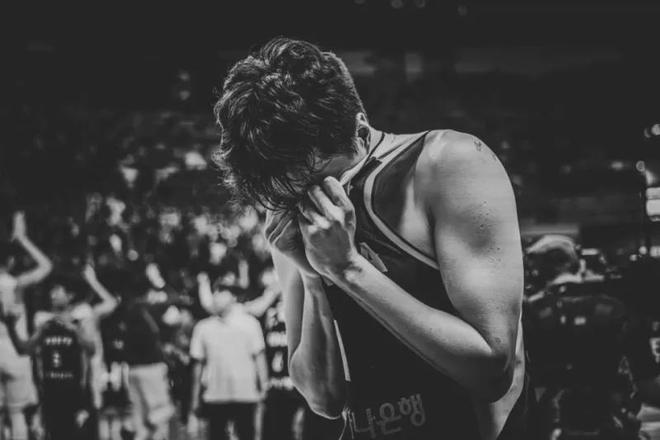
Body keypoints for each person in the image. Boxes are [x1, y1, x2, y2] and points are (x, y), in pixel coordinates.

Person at [214, 37, 529, 439]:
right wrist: (313, 278)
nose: (309, 200)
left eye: (318, 180)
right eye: (290, 191)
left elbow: (491, 370)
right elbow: (324, 399)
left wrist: (348, 269)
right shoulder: (289, 207)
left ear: (360, 132)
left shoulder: (449, 163)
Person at [1, 272, 96, 440]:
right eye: (51, 291)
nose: (52, 295)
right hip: (50, 394)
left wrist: (73, 329)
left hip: (75, 395)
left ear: (70, 296)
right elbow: (23, 350)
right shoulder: (45, 327)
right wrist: (11, 328)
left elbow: (91, 349)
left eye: (58, 291)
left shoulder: (78, 323)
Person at [188, 282, 268, 440]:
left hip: (245, 394)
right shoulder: (203, 328)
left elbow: (259, 356)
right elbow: (197, 365)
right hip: (215, 395)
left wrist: (264, 387)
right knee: (216, 435)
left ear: (233, 297)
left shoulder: (250, 324)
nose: (217, 297)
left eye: (222, 292)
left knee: (247, 435)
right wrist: (195, 399)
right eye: (215, 293)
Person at [0, 212, 53, 440]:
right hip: (15, 351)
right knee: (16, 413)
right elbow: (46, 266)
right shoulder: (17, 284)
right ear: (10, 261)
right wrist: (22, 239)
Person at [122, 273, 174, 440]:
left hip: (133, 369)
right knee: (162, 412)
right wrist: (160, 283)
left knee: (141, 424)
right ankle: (142, 426)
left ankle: (134, 427)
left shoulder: (128, 310)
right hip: (151, 369)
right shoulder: (148, 310)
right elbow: (172, 300)